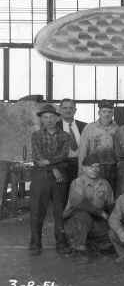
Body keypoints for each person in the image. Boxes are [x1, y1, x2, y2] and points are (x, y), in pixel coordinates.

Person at [29, 103, 75, 256]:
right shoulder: (35, 135)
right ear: (41, 120)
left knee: (59, 211)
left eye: (51, 117)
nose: (48, 120)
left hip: (60, 178)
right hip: (41, 177)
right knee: (37, 211)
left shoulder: (65, 136)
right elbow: (37, 157)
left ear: (57, 118)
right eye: (45, 117)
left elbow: (63, 155)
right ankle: (35, 243)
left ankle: (61, 242)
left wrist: (49, 163)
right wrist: (54, 168)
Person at [63, 153, 114, 262]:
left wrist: (115, 223)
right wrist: (101, 213)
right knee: (83, 215)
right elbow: (79, 203)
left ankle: (93, 244)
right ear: (84, 168)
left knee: (110, 237)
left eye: (97, 166)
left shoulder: (105, 184)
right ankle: (78, 249)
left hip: (96, 221)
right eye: (91, 167)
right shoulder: (77, 183)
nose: (95, 169)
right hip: (75, 221)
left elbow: (111, 206)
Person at [79, 100, 119, 190]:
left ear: (113, 113)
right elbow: (83, 151)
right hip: (94, 168)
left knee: (110, 193)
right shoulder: (90, 128)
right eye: (104, 112)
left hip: (112, 169)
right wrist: (81, 171)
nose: (107, 114)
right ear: (99, 113)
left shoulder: (118, 129)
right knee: (95, 194)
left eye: (109, 112)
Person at [58, 98, 87, 185]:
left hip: (81, 166)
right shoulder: (55, 127)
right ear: (60, 110)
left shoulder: (85, 126)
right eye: (65, 108)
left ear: (75, 110)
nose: (68, 110)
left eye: (71, 108)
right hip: (62, 167)